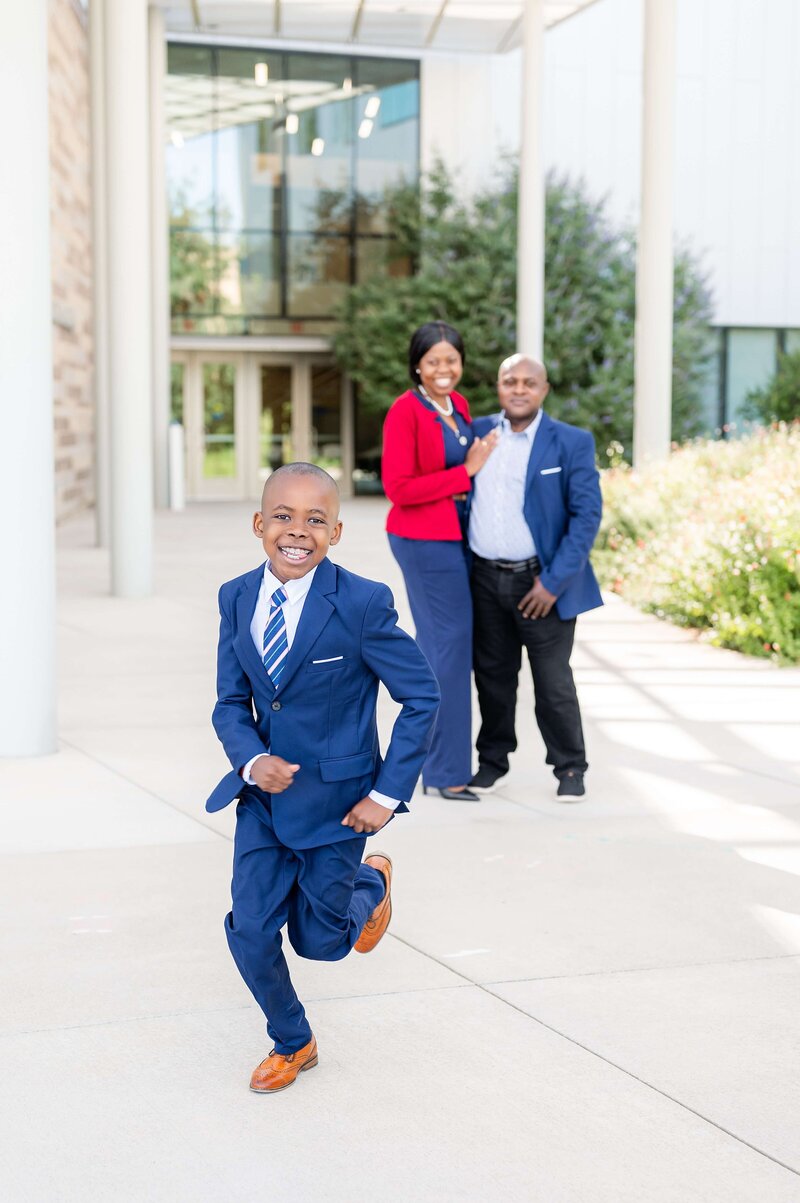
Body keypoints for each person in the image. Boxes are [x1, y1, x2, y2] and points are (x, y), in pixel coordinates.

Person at [205, 462, 439, 1093]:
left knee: (321, 944)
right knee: (249, 928)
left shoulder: (362, 602)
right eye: (283, 515)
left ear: (336, 531)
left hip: (342, 806)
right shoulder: (235, 597)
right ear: (259, 523)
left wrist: (386, 795)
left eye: (315, 519)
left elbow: (421, 696)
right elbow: (232, 702)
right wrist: (251, 760)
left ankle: (369, 881)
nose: (297, 531)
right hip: (263, 801)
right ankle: (292, 1039)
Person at [468, 354, 603, 801]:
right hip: (484, 578)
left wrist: (553, 581)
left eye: (529, 382)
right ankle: (491, 762)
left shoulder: (571, 442)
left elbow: (586, 516)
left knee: (552, 681)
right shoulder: (477, 433)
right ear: (499, 387)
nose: (519, 389)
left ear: (543, 389)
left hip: (541, 582)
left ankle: (569, 768)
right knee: (492, 677)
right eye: (510, 381)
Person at [381, 321, 497, 801]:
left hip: (458, 539)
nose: (443, 369)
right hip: (423, 541)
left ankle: (431, 762)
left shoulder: (460, 407)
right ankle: (446, 772)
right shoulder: (404, 412)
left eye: (451, 360)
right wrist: (464, 473)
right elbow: (399, 489)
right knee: (448, 652)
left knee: (446, 651)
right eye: (434, 362)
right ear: (418, 366)